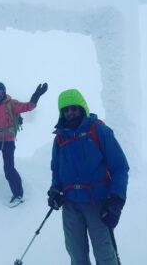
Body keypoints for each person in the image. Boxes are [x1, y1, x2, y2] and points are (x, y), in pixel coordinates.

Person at [47, 89, 129, 265]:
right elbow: (57, 169)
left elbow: (120, 167)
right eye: (66, 110)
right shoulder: (60, 139)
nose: (70, 113)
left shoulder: (99, 131)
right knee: (76, 253)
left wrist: (116, 200)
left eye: (73, 108)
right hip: (71, 204)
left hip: (97, 202)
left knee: (104, 253)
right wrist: (55, 190)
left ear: (82, 108)